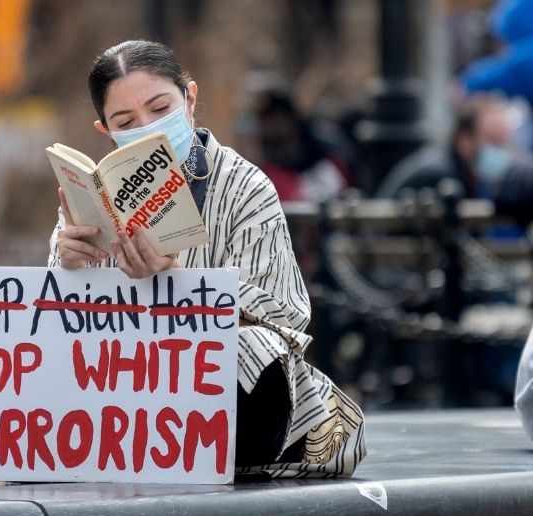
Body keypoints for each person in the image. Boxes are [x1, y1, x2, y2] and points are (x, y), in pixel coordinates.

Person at [48, 40, 365, 478]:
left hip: (218, 395)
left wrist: (178, 279)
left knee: (258, 352)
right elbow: (54, 330)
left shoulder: (247, 188)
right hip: (120, 388)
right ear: (106, 131)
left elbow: (283, 321)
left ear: (190, 100)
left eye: (160, 109)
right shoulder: (94, 196)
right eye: (127, 121)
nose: (148, 128)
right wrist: (66, 264)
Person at [376, 96, 533, 229]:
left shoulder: (464, 173)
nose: (502, 152)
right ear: (464, 140)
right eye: (493, 141)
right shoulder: (441, 175)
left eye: (505, 143)